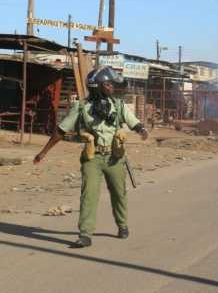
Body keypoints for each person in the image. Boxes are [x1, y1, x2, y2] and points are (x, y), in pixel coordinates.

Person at [34, 66, 149, 248]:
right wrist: (43, 152)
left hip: (115, 157)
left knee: (119, 194)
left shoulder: (118, 105)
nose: (112, 87)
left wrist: (142, 130)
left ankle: (122, 224)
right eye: (108, 84)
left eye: (112, 84)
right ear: (99, 86)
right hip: (92, 158)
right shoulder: (81, 106)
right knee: (89, 195)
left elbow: (133, 121)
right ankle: (85, 234)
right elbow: (61, 130)